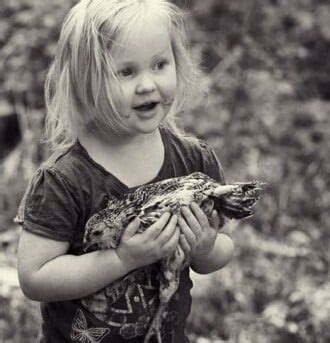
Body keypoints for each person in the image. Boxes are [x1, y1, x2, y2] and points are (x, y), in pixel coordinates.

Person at [16, 0, 235, 342]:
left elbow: (221, 250)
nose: (147, 84)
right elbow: (35, 277)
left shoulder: (193, 161)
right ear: (86, 82)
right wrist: (121, 259)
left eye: (159, 64)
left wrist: (205, 247)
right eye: (126, 72)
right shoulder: (65, 180)